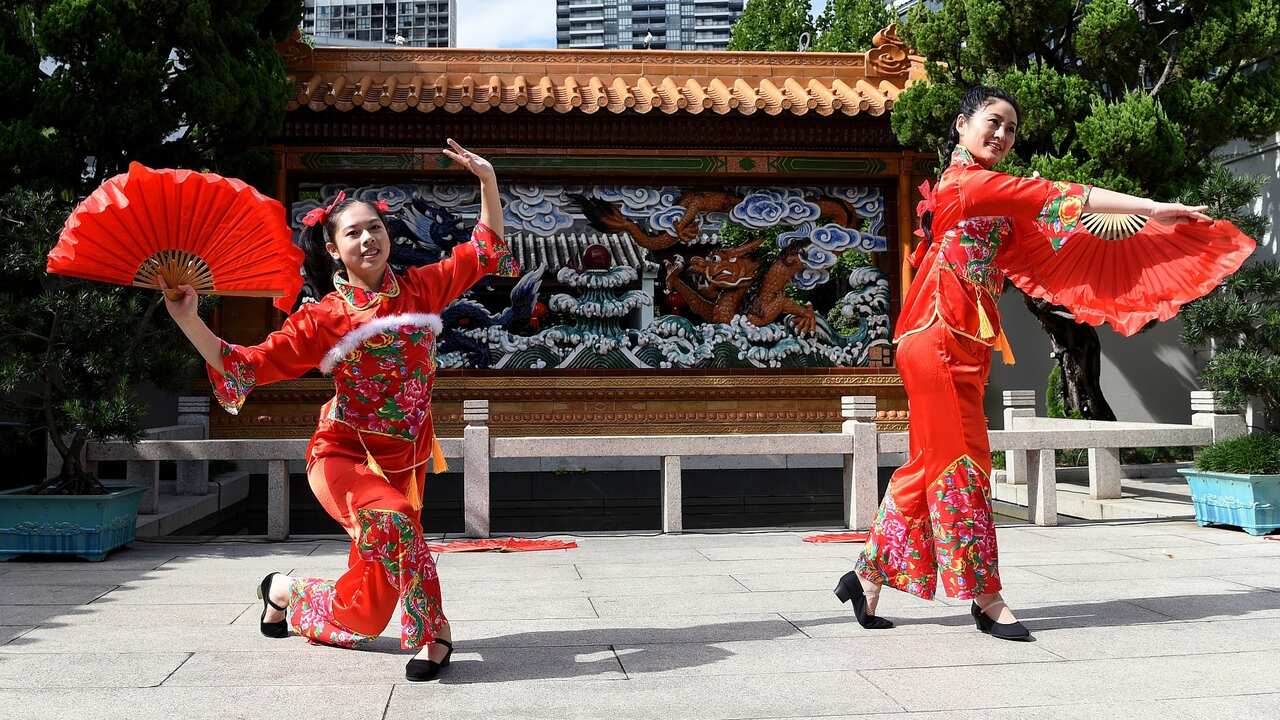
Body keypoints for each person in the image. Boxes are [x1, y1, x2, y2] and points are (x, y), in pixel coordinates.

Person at [834, 86, 1255, 641]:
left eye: (1011, 128)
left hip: (962, 340)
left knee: (930, 462)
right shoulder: (967, 183)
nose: (1003, 136)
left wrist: (1141, 237)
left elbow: (1050, 228)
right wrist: (1149, 207)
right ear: (962, 125)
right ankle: (986, 597)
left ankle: (865, 577)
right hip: (939, 337)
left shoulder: (984, 195)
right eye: (993, 122)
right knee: (962, 462)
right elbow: (1057, 193)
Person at [164, 139, 518, 679]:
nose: (367, 238)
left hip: (406, 463)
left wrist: (488, 181)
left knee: (366, 614)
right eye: (352, 232)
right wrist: (189, 318)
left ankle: (283, 591)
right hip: (342, 455)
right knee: (397, 522)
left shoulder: (423, 288)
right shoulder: (323, 318)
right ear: (333, 249)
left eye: (374, 227)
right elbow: (248, 363)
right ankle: (434, 633)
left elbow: (484, 249)